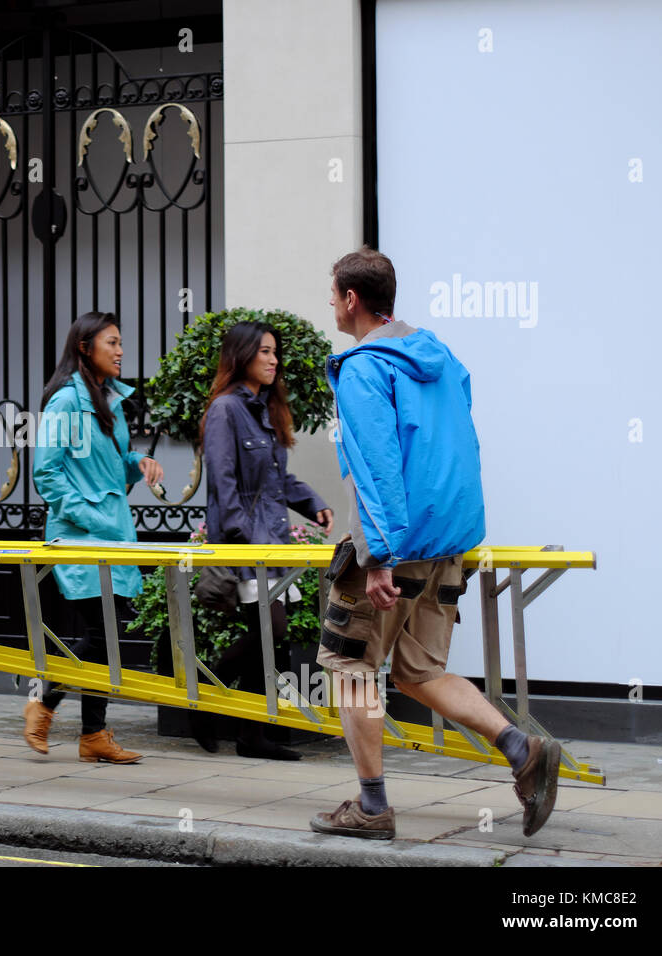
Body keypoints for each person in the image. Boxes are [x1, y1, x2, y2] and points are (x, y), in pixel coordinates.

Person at [310, 247, 560, 839]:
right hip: (448, 543)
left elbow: (375, 467)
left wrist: (377, 558)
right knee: (419, 672)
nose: (329, 303)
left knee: (348, 665)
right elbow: (456, 444)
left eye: (333, 293)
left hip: (393, 548)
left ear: (351, 299)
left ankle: (372, 808)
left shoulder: (364, 367)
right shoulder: (441, 357)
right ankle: (521, 748)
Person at [22, 312, 164, 764]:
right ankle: (43, 704)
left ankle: (93, 735)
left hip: (112, 536)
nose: (121, 351)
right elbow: (46, 472)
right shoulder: (66, 402)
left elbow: (113, 463)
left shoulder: (109, 401)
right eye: (112, 342)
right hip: (80, 537)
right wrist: (88, 517)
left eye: (121, 343)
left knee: (107, 635)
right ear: (85, 347)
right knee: (102, 634)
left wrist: (137, 464)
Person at [198, 320, 333, 760]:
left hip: (270, 540)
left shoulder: (263, 408)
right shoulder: (225, 410)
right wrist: (244, 542)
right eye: (265, 352)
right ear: (242, 356)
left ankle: (250, 735)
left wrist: (312, 503)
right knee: (269, 628)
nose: (274, 360)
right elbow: (223, 482)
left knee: (271, 635)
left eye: (276, 352)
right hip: (247, 542)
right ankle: (202, 691)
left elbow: (276, 478)